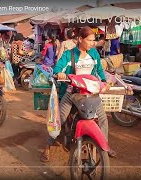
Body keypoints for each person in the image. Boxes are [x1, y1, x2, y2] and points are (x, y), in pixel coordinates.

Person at [40, 26, 116, 163]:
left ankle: (104, 146)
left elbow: (99, 70)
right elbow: (57, 68)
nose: (93, 43)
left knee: (103, 119)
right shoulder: (69, 54)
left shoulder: (94, 54)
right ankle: (47, 147)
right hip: (72, 93)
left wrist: (104, 82)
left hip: (91, 93)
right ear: (80, 39)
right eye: (90, 40)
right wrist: (59, 73)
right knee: (58, 119)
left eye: (94, 40)